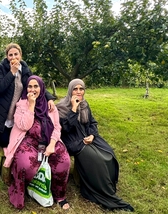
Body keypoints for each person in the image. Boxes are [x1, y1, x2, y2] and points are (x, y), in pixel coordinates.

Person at [56, 79, 134, 212]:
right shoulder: (61, 107)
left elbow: (92, 123)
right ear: (70, 90)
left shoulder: (85, 104)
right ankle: (101, 192)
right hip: (72, 140)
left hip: (87, 136)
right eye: (75, 89)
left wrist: (92, 135)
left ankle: (107, 184)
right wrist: (74, 108)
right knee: (97, 160)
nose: (79, 92)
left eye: (81, 89)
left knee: (108, 154)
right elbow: (66, 129)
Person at [3, 75, 71, 210]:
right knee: (24, 164)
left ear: (41, 88)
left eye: (36, 86)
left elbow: (57, 127)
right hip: (29, 141)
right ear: (26, 88)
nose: (32, 89)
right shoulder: (21, 104)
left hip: (49, 140)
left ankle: (59, 195)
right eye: (30, 86)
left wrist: (52, 145)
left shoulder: (50, 105)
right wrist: (31, 105)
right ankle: (24, 190)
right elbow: (24, 126)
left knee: (64, 161)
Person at [0, 43, 56, 148]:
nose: (13, 57)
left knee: (19, 142)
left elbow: (37, 85)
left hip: (18, 113)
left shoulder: (25, 69)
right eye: (10, 55)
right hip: (3, 113)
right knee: (4, 142)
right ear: (7, 56)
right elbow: (0, 87)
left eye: (16, 54)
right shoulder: (1, 68)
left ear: (20, 55)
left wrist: (49, 98)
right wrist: (12, 72)